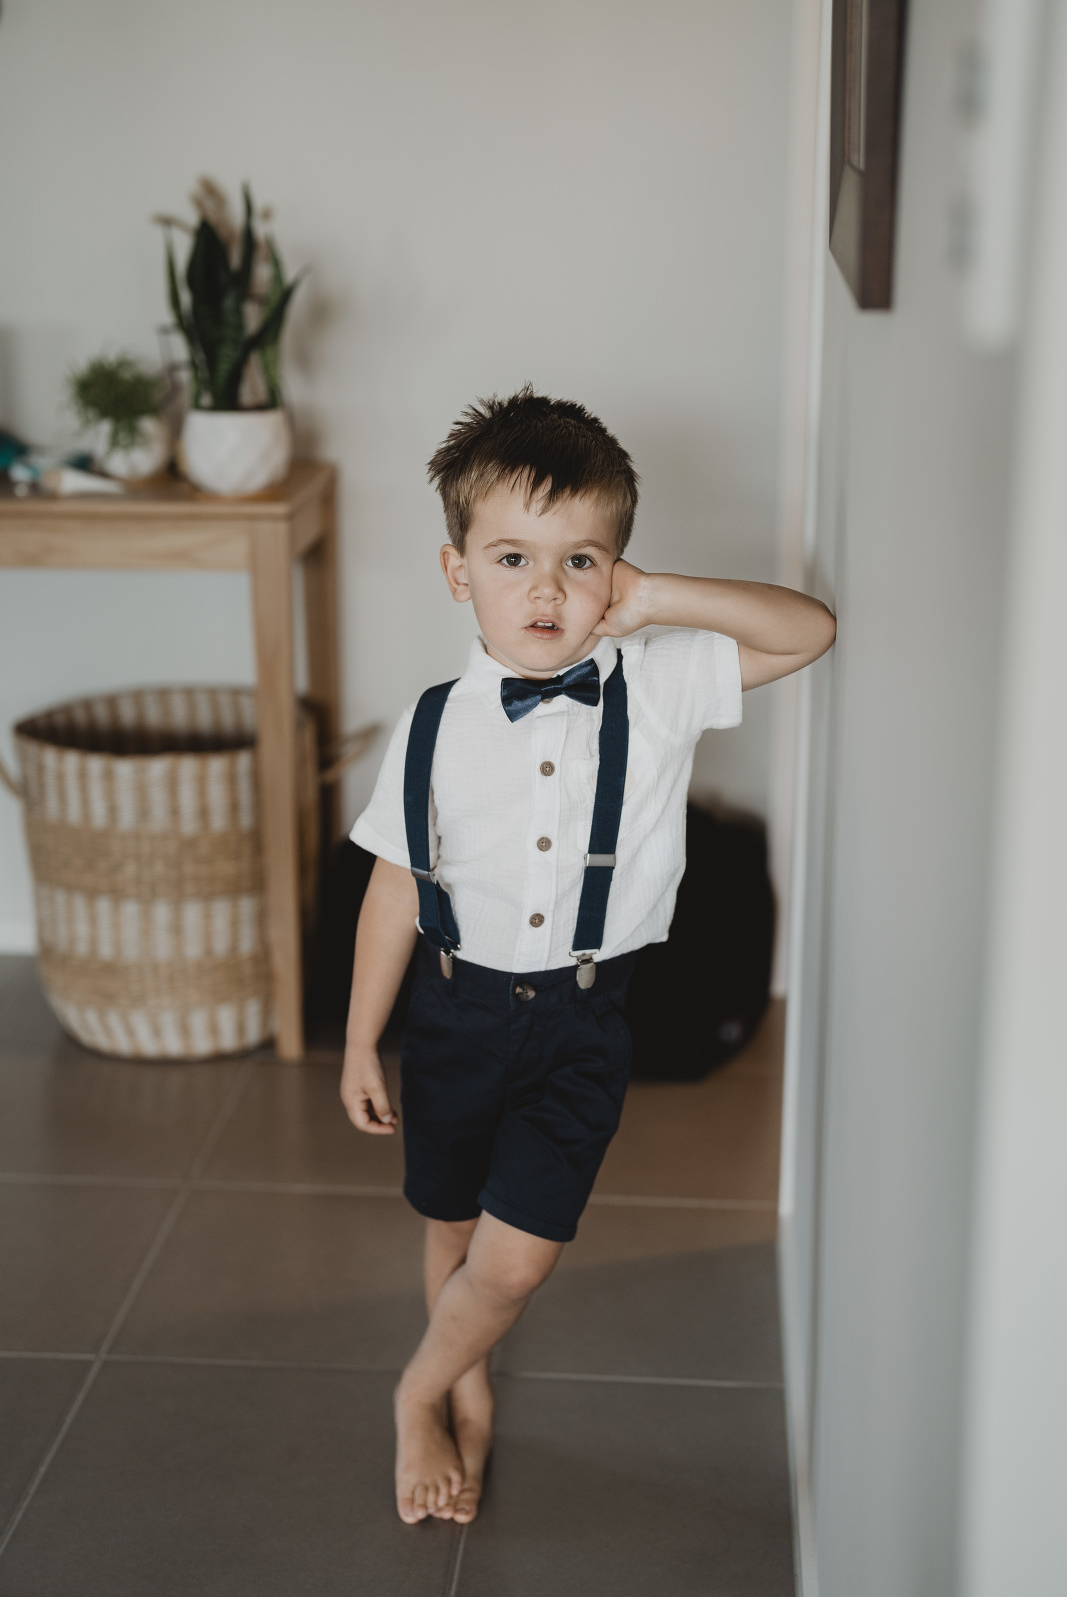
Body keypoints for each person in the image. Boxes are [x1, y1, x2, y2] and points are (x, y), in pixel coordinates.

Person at [340, 387, 835, 1526]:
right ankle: (463, 1379)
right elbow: (395, 886)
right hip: (454, 1012)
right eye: (511, 558)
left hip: (579, 1020)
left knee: (515, 1261)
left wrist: (653, 600)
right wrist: (362, 1039)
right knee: (451, 1224)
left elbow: (807, 630)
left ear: (614, 570)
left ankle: (414, 1387)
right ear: (458, 571)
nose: (547, 590)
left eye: (581, 561)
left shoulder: (656, 686)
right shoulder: (430, 725)